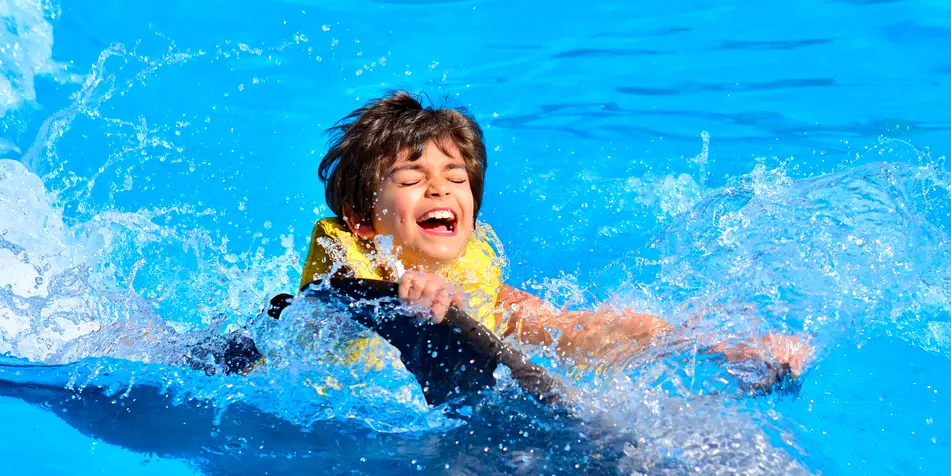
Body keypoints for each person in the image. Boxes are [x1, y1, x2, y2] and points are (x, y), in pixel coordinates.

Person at [300, 91, 811, 377]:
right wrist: (399, 297)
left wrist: (721, 344)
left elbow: (574, 330)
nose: (440, 190)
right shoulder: (344, 271)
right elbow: (324, 324)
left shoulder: (475, 276)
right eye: (412, 181)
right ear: (362, 219)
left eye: (457, 180)